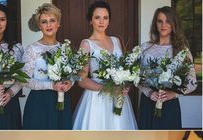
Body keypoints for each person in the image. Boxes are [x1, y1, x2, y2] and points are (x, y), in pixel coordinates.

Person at [73, 0, 137, 130]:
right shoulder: (86, 44)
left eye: (105, 18)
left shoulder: (116, 41)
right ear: (91, 20)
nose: (101, 21)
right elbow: (81, 80)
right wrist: (107, 89)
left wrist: (125, 85)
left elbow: (124, 70)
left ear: (109, 21)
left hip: (119, 98)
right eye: (97, 17)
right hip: (97, 99)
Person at [139, 6, 197, 130]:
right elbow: (136, 77)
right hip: (147, 103)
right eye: (160, 21)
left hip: (169, 104)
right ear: (156, 24)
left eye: (168, 21)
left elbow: (192, 83)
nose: (163, 25)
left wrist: (174, 94)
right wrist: (148, 92)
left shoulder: (182, 51)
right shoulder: (145, 48)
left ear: (174, 23)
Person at [23, 3, 72, 130]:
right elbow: (24, 80)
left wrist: (70, 82)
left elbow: (72, 74)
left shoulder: (65, 49)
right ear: (40, 26)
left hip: (61, 99)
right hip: (39, 102)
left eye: (52, 20)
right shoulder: (32, 49)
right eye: (44, 22)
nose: (49, 25)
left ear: (58, 23)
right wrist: (50, 85)